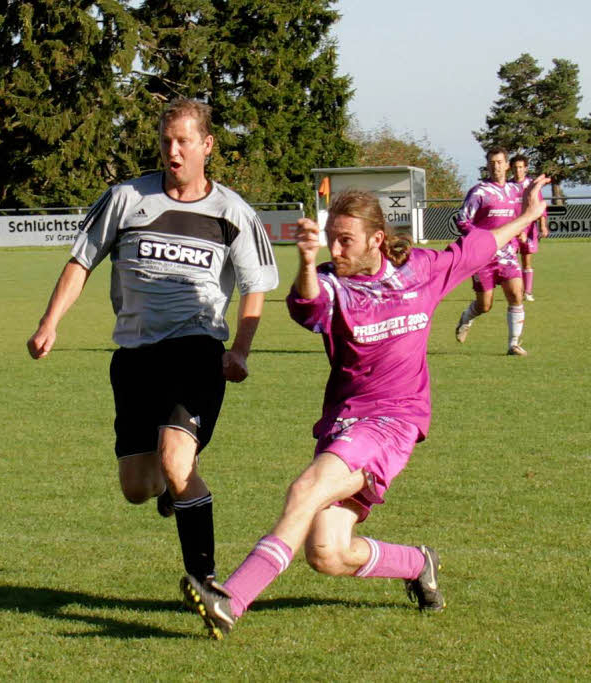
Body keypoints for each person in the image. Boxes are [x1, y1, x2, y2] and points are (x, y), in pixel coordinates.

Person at [181, 177, 550, 640]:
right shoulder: (335, 288)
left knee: (305, 491)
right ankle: (419, 563)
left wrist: (531, 215)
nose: (336, 248)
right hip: (345, 424)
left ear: (377, 240)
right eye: (331, 238)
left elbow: (482, 245)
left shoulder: (423, 269)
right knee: (327, 553)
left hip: (395, 422)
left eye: (345, 240)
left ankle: (232, 598)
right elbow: (308, 307)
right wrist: (307, 261)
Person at [27, 98, 279, 587]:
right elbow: (82, 262)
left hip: (197, 348)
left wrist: (241, 349)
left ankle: (205, 581)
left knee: (175, 457)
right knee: (137, 488)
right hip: (135, 356)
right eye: (166, 141)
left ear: (206, 145)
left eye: (184, 141)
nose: (173, 151)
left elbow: (255, 288)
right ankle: (170, 487)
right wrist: (49, 322)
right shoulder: (125, 198)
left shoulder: (232, 212)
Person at [453, 148, 529, 355]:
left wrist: (520, 231)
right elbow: (462, 221)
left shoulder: (515, 192)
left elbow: (518, 217)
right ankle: (466, 318)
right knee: (485, 305)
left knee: (516, 295)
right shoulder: (480, 192)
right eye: (492, 162)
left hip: (507, 255)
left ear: (507, 165)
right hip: (483, 256)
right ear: (487, 166)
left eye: (499, 162)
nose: (496, 166)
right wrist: (482, 238)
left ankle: (513, 344)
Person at [510, 154, 549, 302]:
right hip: (512, 228)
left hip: (528, 228)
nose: (518, 170)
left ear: (525, 169)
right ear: (511, 169)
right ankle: (515, 290)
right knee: (511, 261)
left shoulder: (532, 185)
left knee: (526, 261)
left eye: (520, 167)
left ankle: (527, 291)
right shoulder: (508, 186)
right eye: (515, 167)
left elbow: (539, 207)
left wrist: (543, 226)